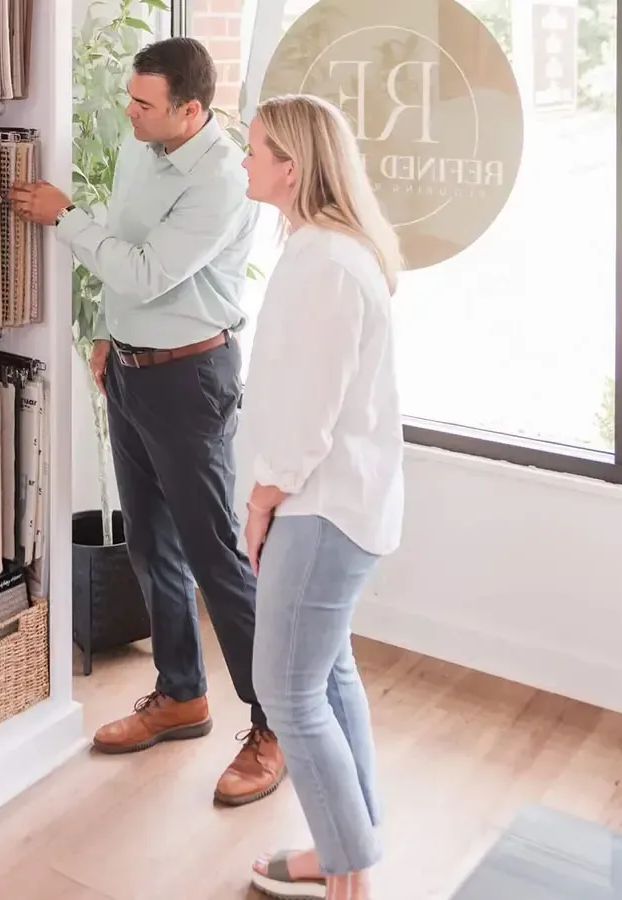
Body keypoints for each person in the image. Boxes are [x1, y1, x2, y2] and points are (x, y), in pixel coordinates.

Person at [9, 37, 285, 807]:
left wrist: (63, 217)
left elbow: (143, 268)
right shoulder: (142, 143)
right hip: (130, 367)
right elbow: (126, 251)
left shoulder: (224, 182)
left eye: (144, 103)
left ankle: (275, 725)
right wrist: (106, 332)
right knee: (153, 548)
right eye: (129, 97)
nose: (126, 111)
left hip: (192, 379)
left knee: (215, 558)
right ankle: (182, 695)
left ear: (191, 110)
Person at [236, 93, 404, 900]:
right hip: (335, 504)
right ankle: (348, 848)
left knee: (288, 692)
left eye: (255, 148)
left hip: (321, 509)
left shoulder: (329, 264)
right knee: (327, 678)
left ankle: (348, 875)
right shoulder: (322, 250)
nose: (244, 159)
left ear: (291, 167)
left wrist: (263, 499)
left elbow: (310, 413)